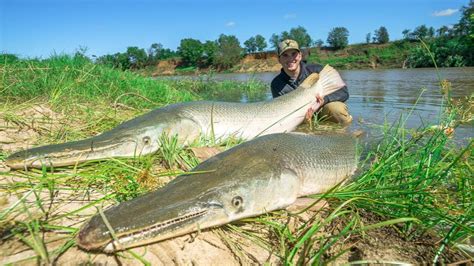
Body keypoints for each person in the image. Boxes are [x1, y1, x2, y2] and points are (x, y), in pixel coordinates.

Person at [271, 39, 352, 125]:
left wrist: (322, 101)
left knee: (336, 109)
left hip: (322, 108)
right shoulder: (276, 84)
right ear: (279, 59)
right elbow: (282, 113)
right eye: (285, 55)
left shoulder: (317, 70)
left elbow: (343, 92)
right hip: (299, 117)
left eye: (294, 54)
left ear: (300, 56)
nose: (290, 58)